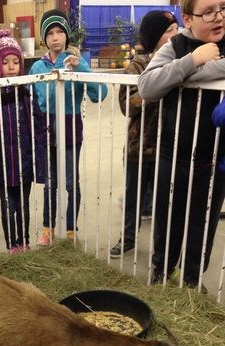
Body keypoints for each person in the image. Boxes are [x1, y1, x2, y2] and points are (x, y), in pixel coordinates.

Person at [138, 0, 225, 291]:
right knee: (166, 221)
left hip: (214, 159)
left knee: (204, 224)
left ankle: (191, 280)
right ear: (188, 18)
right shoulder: (175, 47)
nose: (218, 17)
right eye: (208, 12)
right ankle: (161, 273)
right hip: (172, 155)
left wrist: (180, 78)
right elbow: (147, 86)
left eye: (222, 8)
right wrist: (194, 60)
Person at [29, 9, 108, 245]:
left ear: (67, 35)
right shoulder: (37, 68)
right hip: (46, 131)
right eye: (50, 33)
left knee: (71, 182)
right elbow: (31, 100)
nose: (55, 37)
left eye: (60, 31)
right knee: (50, 182)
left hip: (71, 128)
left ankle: (72, 229)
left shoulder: (77, 62)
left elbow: (100, 94)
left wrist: (81, 70)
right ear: (44, 38)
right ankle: (47, 227)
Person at [110, 10, 179, 258]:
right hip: (139, 145)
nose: (175, 35)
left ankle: (161, 250)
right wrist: (156, 89)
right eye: (168, 31)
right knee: (133, 197)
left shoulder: (180, 61)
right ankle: (128, 238)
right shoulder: (138, 64)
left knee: (163, 202)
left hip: (168, 145)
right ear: (155, 37)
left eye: (176, 29)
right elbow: (125, 104)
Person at [0, 30, 44, 253]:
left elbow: (37, 127)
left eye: (16, 61)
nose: (12, 66)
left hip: (24, 164)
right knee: (8, 206)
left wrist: (38, 162)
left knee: (24, 205)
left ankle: (24, 241)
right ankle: (11, 245)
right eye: (5, 62)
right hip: (3, 166)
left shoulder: (26, 94)